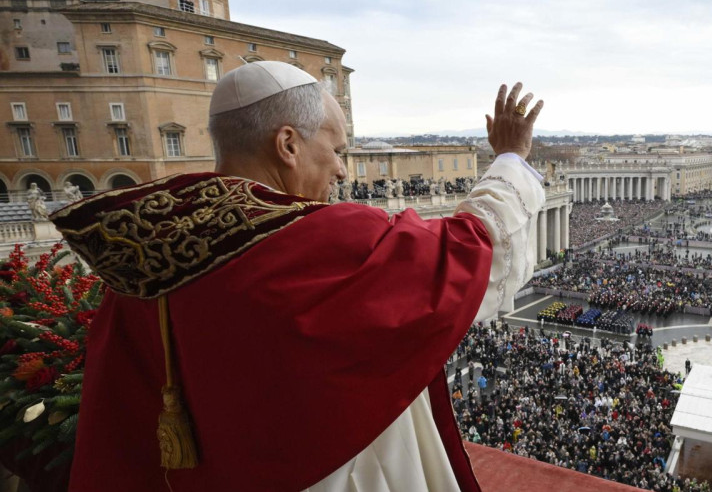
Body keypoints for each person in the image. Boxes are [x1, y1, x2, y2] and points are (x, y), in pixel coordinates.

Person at [51, 62, 547, 492]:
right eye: (336, 150)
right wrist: (510, 157)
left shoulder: (147, 255)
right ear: (287, 144)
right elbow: (476, 249)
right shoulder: (319, 240)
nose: (340, 171)